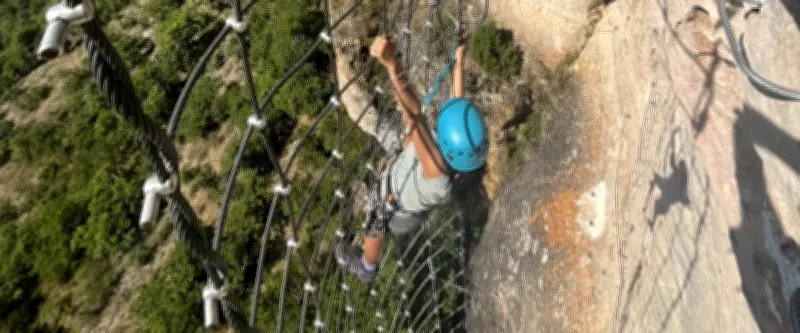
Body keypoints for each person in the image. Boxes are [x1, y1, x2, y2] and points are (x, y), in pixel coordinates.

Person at [335, 35, 489, 282]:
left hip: (398, 214)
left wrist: (393, 66)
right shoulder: (459, 157)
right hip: (414, 200)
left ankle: (367, 266)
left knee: (376, 221)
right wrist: (459, 63)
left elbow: (414, 116)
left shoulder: (438, 171)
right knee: (409, 140)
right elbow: (457, 106)